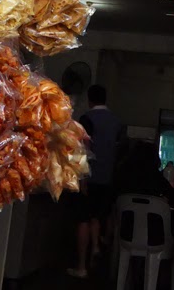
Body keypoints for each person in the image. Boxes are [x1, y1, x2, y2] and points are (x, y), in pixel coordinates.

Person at [68, 84, 124, 279]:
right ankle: (96, 247)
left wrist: (81, 178)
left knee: (83, 218)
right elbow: (119, 151)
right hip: (107, 178)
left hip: (89, 177)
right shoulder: (117, 122)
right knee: (97, 216)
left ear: (89, 99)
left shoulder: (86, 119)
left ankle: (82, 266)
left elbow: (81, 150)